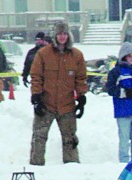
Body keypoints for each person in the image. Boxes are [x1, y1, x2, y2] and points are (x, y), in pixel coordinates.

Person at [29, 22, 87, 165]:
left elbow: (80, 78)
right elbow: (36, 76)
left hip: (67, 105)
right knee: (39, 137)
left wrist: (81, 97)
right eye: (59, 34)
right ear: (55, 36)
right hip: (45, 103)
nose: (62, 37)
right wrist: (36, 97)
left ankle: (72, 167)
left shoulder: (77, 55)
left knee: (70, 138)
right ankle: (36, 166)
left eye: (65, 34)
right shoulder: (43, 54)